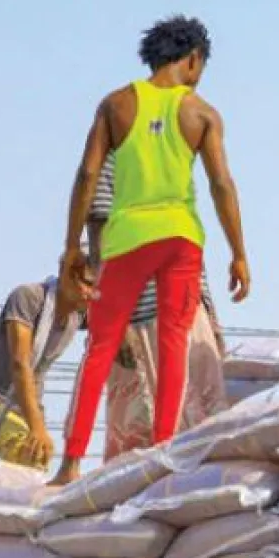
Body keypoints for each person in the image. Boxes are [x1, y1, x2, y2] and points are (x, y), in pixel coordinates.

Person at [52, 14, 250, 486]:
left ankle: (70, 464)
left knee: (100, 348)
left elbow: (85, 175)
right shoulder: (201, 113)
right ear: (193, 59)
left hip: (127, 239)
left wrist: (71, 248)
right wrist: (239, 252)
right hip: (181, 238)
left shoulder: (116, 105)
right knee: (174, 344)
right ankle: (163, 449)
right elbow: (222, 184)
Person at [87, 152, 227, 461]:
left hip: (189, 315)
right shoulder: (113, 161)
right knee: (144, 441)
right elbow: (100, 246)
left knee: (203, 430)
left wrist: (212, 321)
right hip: (142, 319)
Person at [0, 276, 89, 470]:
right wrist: (37, 427)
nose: (88, 292)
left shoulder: (79, 313)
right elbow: (20, 364)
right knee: (30, 455)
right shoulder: (29, 298)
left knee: (36, 461)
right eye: (83, 282)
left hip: (29, 413)